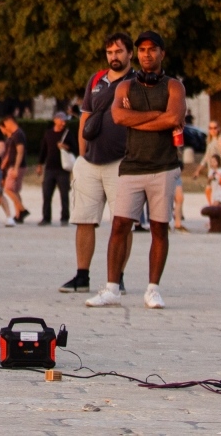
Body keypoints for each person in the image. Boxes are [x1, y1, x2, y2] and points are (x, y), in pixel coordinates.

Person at [88, 30, 184, 310]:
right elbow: (118, 116)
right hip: (131, 166)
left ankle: (153, 289)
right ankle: (112, 288)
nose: (146, 54)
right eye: (141, 50)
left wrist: (139, 119)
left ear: (162, 53)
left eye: (152, 49)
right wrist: (158, 116)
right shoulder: (125, 87)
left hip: (163, 166)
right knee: (119, 226)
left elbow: (175, 117)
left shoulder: (174, 86)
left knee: (159, 228)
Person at [60, 33, 133, 293]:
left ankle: (117, 275)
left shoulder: (136, 82)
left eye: (119, 51)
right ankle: (82, 275)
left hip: (121, 162)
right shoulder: (96, 80)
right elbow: (85, 116)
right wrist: (82, 153)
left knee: (121, 222)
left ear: (130, 54)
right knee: (84, 219)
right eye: (110, 52)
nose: (114, 56)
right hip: (90, 161)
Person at [37, 112, 73, 225]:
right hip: (49, 168)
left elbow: (75, 149)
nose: (63, 122)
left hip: (63, 169)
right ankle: (46, 218)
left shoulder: (68, 134)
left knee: (64, 195)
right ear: (55, 120)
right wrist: (40, 165)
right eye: (61, 120)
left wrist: (65, 147)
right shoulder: (48, 134)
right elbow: (43, 150)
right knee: (46, 194)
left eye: (64, 120)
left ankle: (65, 218)